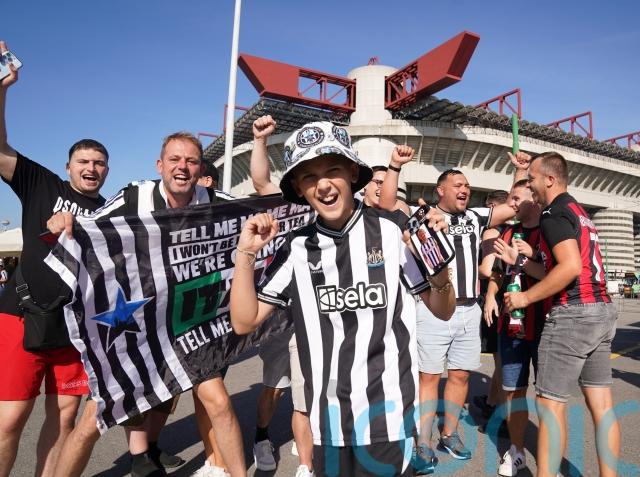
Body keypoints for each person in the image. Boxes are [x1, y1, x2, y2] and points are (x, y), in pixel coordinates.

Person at [230, 121, 456, 477]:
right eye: (309, 176)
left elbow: (443, 310)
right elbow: (244, 321)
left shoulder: (392, 231)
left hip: (387, 418)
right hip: (328, 421)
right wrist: (245, 253)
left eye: (332, 170)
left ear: (352, 172)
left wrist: (438, 266)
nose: (322, 184)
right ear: (299, 188)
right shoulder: (297, 246)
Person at [47, 132, 245, 477]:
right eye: (174, 160)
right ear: (159, 165)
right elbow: (91, 226)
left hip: (186, 326)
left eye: (191, 161)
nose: (182, 167)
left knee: (219, 403)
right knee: (93, 422)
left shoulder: (216, 200)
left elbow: (255, 211)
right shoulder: (134, 196)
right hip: (136, 324)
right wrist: (65, 221)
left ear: (201, 169)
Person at [0, 41, 110, 477]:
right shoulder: (41, 183)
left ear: (106, 170)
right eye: (83, 161)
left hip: (74, 328)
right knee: (9, 420)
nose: (91, 168)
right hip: (20, 314)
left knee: (64, 419)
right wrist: (3, 88)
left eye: (99, 163)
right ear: (68, 167)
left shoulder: (112, 212)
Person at [378, 152, 525, 470]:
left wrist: (521, 171)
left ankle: (449, 433)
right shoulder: (424, 215)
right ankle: (423, 441)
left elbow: (514, 206)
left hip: (469, 309)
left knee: (460, 375)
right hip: (433, 308)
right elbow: (387, 203)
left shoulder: (475, 216)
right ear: (441, 190)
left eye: (467, 186)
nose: (465, 189)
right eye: (458, 184)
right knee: (429, 377)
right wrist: (395, 166)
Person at [504, 152, 620, 477]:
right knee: (602, 406)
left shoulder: (553, 213)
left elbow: (569, 268)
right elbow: (559, 268)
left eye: (532, 179)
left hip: (573, 313)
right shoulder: (579, 213)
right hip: (601, 310)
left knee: (549, 405)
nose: (529, 186)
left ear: (550, 179)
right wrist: (522, 263)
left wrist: (525, 296)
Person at [249, 114, 315, 477]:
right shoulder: (285, 204)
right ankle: (261, 436)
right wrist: (260, 140)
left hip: (313, 314)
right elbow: (260, 180)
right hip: (277, 312)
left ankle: (305, 462)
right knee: (274, 386)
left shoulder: (333, 211)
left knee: (306, 393)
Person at [484, 179, 549, 476]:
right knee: (512, 391)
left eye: (516, 198)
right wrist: (490, 296)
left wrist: (524, 258)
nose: (511, 204)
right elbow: (497, 272)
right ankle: (516, 451)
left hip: (547, 326)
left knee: (548, 397)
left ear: (533, 200)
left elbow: (559, 272)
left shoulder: (550, 230)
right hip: (511, 326)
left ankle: (548, 459)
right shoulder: (508, 232)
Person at [475, 188, 510, 432]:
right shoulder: (511, 231)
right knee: (503, 359)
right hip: (506, 298)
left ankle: (503, 417)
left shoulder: (492, 230)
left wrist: (468, 267)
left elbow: (487, 270)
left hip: (494, 298)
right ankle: (492, 402)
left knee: (503, 361)